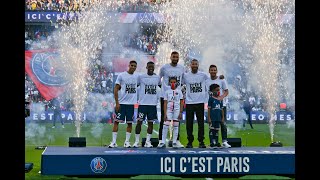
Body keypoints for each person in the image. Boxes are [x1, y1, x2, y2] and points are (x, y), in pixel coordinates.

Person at [108, 60, 139, 148]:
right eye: (132, 65)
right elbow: (116, 89)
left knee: (129, 123)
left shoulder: (137, 77)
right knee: (116, 122)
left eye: (134, 66)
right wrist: (117, 103)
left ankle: (127, 142)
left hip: (131, 104)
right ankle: (113, 142)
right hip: (121, 103)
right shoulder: (121, 75)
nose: (133, 67)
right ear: (129, 65)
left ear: (136, 67)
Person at [158, 51, 185, 148]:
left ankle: (176, 141)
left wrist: (177, 91)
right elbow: (158, 79)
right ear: (170, 57)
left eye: (177, 57)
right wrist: (166, 90)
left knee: (176, 120)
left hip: (177, 97)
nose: (175, 58)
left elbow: (183, 81)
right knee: (164, 119)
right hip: (166, 97)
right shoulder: (164, 67)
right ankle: (161, 141)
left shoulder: (182, 68)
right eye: (173, 56)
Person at [132, 61, 161, 148]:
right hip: (143, 104)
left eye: (152, 67)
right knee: (139, 122)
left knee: (150, 124)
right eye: (149, 67)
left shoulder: (157, 78)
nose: (151, 68)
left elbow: (161, 86)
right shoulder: (141, 77)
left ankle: (148, 141)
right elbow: (135, 86)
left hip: (152, 105)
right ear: (146, 67)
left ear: (154, 67)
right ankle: (136, 141)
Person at [182, 59, 208, 148]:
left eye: (196, 64)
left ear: (198, 65)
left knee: (201, 123)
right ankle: (190, 141)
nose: (194, 66)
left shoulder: (203, 75)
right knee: (189, 123)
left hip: (200, 102)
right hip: (189, 102)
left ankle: (201, 141)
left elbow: (212, 80)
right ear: (190, 65)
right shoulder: (185, 76)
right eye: (193, 64)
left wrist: (220, 77)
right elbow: (178, 82)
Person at [205, 65, 231, 148]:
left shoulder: (221, 80)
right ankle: (213, 141)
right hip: (211, 105)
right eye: (211, 70)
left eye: (214, 70)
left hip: (221, 105)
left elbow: (226, 91)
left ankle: (224, 141)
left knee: (223, 123)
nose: (213, 71)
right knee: (212, 124)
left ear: (216, 71)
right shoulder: (206, 81)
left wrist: (221, 97)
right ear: (209, 71)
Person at [157, 77, 184, 148]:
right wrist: (165, 113)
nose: (173, 84)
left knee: (176, 125)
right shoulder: (167, 92)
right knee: (165, 125)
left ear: (176, 83)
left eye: (174, 82)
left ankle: (174, 142)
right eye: (171, 82)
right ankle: (162, 142)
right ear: (169, 83)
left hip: (177, 110)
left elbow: (181, 102)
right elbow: (165, 103)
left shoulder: (179, 92)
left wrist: (181, 112)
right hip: (169, 110)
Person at [207, 84, 230, 148]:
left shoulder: (220, 99)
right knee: (212, 129)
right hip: (212, 118)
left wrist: (222, 117)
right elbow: (209, 109)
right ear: (213, 91)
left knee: (217, 130)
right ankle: (212, 142)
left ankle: (216, 142)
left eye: (219, 90)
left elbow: (222, 109)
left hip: (218, 118)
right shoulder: (211, 99)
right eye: (217, 90)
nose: (218, 91)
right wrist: (209, 118)